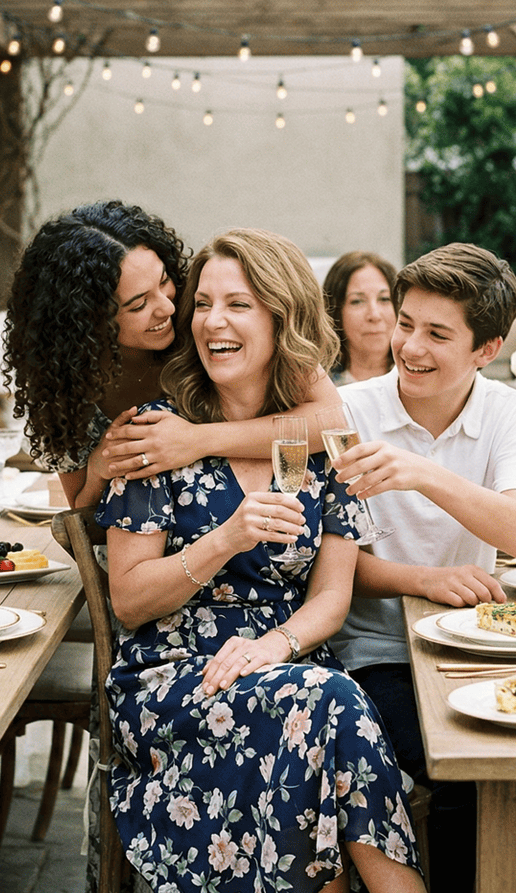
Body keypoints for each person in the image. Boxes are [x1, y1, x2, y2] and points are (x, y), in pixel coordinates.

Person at [99, 228, 424, 893]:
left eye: (238, 304)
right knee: (330, 705)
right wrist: (226, 538)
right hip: (173, 679)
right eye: (204, 303)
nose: (212, 320)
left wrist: (274, 646)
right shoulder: (155, 435)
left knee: (320, 706)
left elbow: (332, 600)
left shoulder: (320, 443)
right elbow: (129, 599)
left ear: (281, 319)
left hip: (288, 663)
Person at [330, 243, 516, 892]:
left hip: (483, 645)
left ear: (486, 350)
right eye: (406, 324)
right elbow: (334, 566)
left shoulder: (507, 411)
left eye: (436, 333)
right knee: (458, 776)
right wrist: (422, 579)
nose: (410, 346)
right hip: (379, 650)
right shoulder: (352, 411)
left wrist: (421, 471)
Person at [4, 200, 341, 508]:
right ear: (87, 321)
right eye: (138, 304)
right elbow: (80, 524)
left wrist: (197, 440)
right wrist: (97, 470)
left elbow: (333, 420)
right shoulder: (61, 387)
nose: (167, 306)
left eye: (164, 281)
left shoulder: (207, 326)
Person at [322, 250, 397, 385]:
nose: (374, 315)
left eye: (384, 299)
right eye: (357, 301)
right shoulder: (317, 386)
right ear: (335, 311)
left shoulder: (419, 381)